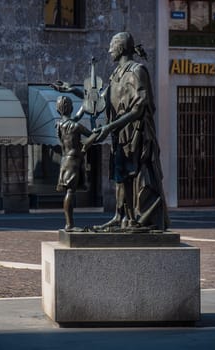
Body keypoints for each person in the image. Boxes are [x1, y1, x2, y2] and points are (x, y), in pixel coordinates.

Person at [53, 32, 169, 231]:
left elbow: (139, 109)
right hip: (120, 135)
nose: (109, 51)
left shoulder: (137, 71)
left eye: (112, 46)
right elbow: (97, 100)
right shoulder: (115, 75)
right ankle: (120, 216)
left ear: (122, 47)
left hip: (136, 134)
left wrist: (109, 127)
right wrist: (73, 90)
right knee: (120, 177)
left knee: (135, 177)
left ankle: (135, 219)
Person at [56, 95, 92, 231]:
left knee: (69, 191)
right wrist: (98, 130)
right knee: (70, 192)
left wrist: (84, 106)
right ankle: (69, 225)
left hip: (65, 160)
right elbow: (92, 135)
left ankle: (69, 223)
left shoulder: (59, 125)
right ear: (70, 107)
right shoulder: (76, 126)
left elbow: (73, 119)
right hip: (74, 161)